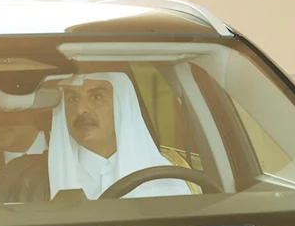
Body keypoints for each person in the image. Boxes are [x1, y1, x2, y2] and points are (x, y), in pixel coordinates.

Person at [48, 72, 191, 200]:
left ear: (122, 104)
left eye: (96, 97)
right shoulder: (39, 181)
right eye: (72, 99)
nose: (80, 109)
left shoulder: (164, 179)